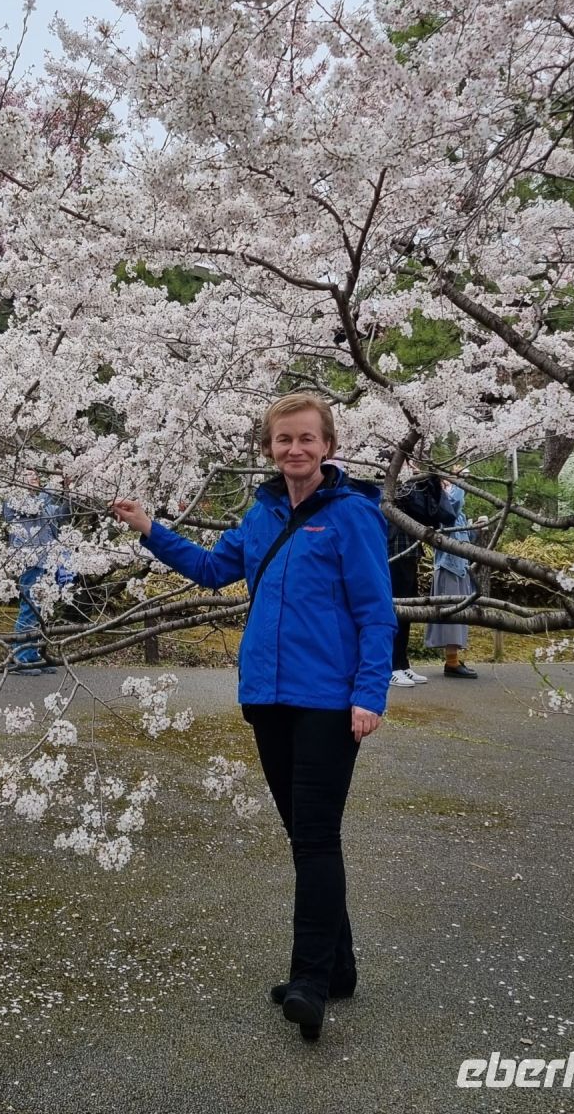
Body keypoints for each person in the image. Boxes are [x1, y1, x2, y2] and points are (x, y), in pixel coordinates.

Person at [112, 392, 395, 1043]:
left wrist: (369, 695)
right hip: (267, 701)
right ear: (270, 448)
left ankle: (310, 981)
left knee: (317, 839)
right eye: (283, 440)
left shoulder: (353, 517)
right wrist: (150, 529)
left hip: (328, 703)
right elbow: (213, 570)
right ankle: (340, 967)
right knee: (305, 837)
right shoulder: (263, 515)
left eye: (306, 439)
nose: (294, 450)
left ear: (328, 446)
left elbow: (376, 612)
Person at [385, 465, 455, 689]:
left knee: (407, 608)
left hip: (410, 545)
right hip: (392, 547)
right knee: (395, 608)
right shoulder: (385, 471)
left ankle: (401, 662)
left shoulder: (411, 469)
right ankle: (391, 666)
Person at [1, 472, 72, 674]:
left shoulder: (45, 501)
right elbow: (33, 508)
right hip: (28, 560)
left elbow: (63, 515)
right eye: (27, 475)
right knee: (29, 609)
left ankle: (34, 655)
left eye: (35, 475)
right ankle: (20, 658)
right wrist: (54, 485)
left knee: (41, 610)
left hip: (48, 561)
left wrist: (67, 491)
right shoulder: (14, 500)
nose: (33, 478)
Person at [424, 479, 482, 678]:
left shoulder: (455, 512)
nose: (450, 485)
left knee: (459, 615)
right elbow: (455, 503)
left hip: (459, 567)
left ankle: (453, 660)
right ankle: (452, 662)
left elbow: (464, 537)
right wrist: (460, 481)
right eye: (446, 482)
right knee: (452, 617)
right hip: (449, 567)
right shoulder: (442, 507)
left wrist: (476, 528)